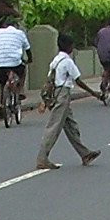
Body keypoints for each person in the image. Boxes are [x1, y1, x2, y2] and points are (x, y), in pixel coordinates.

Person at [38, 32, 101, 169]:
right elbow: (78, 80)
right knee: (53, 127)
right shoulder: (67, 62)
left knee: (71, 126)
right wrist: (93, 93)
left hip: (56, 94)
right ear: (69, 46)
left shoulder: (55, 61)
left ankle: (85, 154)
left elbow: (49, 81)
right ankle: (42, 158)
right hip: (63, 95)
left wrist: (45, 101)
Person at [0, 15, 32, 110]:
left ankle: (2, 104)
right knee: (23, 70)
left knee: (1, 83)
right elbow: (28, 49)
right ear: (16, 25)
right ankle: (20, 90)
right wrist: (30, 60)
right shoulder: (20, 33)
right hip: (15, 62)